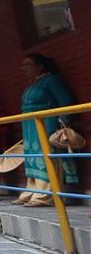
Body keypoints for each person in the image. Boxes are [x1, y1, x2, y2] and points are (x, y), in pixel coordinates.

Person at [14, 54, 78, 207]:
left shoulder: (51, 80)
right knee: (32, 157)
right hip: (30, 126)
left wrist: (63, 121)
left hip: (47, 123)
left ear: (40, 66)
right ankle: (32, 191)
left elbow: (65, 100)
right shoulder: (33, 84)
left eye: (28, 64)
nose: (24, 68)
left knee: (46, 156)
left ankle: (46, 195)